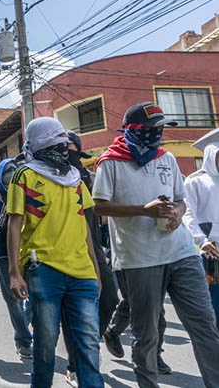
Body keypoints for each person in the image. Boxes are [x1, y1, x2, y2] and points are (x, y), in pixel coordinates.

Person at [93, 102, 219, 387]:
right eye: (152, 129)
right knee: (147, 334)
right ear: (133, 130)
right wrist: (143, 210)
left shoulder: (167, 158)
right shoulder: (109, 162)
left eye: (161, 129)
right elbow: (99, 207)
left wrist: (178, 212)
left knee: (204, 325)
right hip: (139, 258)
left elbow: (181, 199)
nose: (158, 134)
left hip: (182, 252)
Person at [7, 117, 103, 388]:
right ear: (38, 143)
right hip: (43, 269)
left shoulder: (75, 179)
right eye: (56, 140)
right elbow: (14, 224)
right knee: (45, 346)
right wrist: (15, 272)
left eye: (65, 141)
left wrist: (95, 270)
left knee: (89, 347)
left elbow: (83, 224)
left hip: (82, 273)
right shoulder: (23, 176)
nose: (63, 146)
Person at [61, 131, 120, 386]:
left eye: (70, 146)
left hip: (94, 249)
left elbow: (102, 212)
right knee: (70, 313)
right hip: (65, 253)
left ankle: (88, 346)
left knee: (109, 299)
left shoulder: (90, 177)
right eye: (61, 146)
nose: (66, 150)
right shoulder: (53, 175)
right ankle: (75, 367)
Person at [0, 159, 33, 360]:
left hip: (28, 252)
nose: (11, 176)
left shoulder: (27, 193)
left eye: (14, 172)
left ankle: (23, 332)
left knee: (33, 297)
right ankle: (23, 339)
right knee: (13, 300)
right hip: (4, 254)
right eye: (7, 173)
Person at [183, 142, 219, 329]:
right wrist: (201, 239)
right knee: (213, 301)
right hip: (211, 252)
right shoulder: (194, 181)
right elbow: (187, 213)